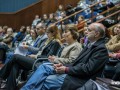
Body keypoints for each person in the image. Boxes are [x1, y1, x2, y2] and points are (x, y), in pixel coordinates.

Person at [21, 23, 109, 90]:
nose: (85, 31)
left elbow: (87, 69)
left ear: (97, 34)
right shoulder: (90, 45)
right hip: (74, 73)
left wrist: (66, 69)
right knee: (43, 68)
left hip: (81, 79)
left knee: (44, 80)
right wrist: (63, 66)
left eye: (89, 30)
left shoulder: (101, 49)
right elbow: (75, 63)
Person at [0, 25, 61, 90]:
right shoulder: (49, 41)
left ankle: (1, 77)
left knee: (15, 57)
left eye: (48, 33)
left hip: (41, 63)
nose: (46, 34)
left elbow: (49, 57)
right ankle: (10, 87)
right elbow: (40, 51)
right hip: (36, 59)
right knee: (15, 64)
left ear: (53, 33)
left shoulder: (56, 43)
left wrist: (35, 56)